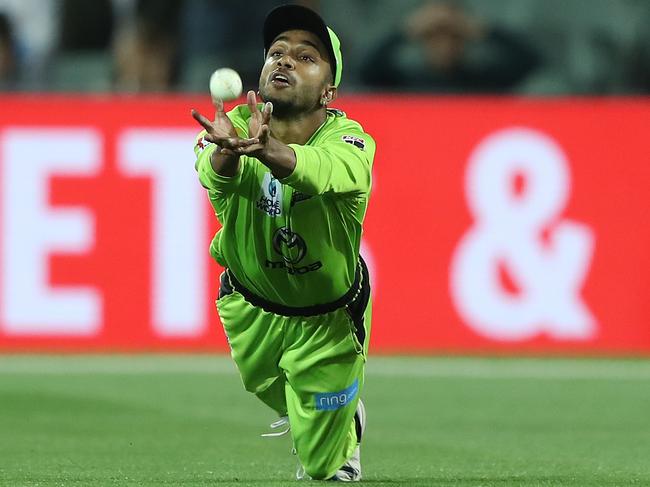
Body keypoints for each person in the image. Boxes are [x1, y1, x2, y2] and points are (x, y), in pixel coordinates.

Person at [190, 4, 375, 482]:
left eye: (306, 56)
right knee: (263, 382)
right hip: (249, 304)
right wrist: (227, 155)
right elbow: (215, 179)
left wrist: (269, 151)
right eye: (276, 52)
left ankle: (343, 418)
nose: (285, 61)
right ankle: (316, 409)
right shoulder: (229, 127)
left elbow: (331, 174)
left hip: (327, 320)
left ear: (329, 91)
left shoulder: (350, 138)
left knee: (323, 468)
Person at [360, 1, 541, 93]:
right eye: (435, 36)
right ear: (424, 41)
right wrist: (406, 30)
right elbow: (364, 71)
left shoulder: (482, 82)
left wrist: (481, 29)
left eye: (454, 36)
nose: (445, 45)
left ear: (464, 40)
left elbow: (529, 62)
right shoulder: (405, 83)